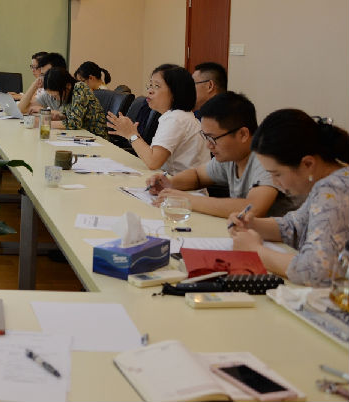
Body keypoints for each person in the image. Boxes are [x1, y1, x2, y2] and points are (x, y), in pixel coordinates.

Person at [228, 110, 349, 287]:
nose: (275, 182)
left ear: (308, 164)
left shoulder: (334, 189)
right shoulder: (331, 180)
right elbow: (295, 226)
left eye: (277, 174)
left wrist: (254, 250)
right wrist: (252, 224)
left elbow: (316, 271)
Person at [146, 92, 299, 218]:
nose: (208, 145)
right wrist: (169, 184)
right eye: (205, 137)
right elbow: (198, 176)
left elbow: (253, 208)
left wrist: (186, 200)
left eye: (213, 138)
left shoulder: (266, 158)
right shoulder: (232, 155)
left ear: (243, 134)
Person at [107, 64, 209, 173]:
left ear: (176, 92)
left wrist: (131, 134)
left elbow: (153, 162)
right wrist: (132, 133)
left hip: (183, 183)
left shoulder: (175, 119)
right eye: (150, 85)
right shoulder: (180, 116)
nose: (150, 91)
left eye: (157, 86)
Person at [39, 68, 107, 137]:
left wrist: (45, 123)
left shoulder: (80, 88)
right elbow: (69, 118)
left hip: (97, 137)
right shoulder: (67, 95)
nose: (55, 99)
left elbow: (74, 123)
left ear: (68, 86)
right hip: (82, 135)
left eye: (56, 95)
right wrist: (60, 116)